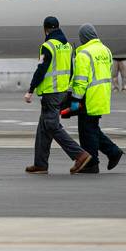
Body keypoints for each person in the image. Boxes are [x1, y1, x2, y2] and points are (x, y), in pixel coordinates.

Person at [23, 16, 92, 175]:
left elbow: (41, 70)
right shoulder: (67, 46)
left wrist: (30, 90)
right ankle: (40, 164)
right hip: (62, 91)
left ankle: (79, 155)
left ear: (45, 29)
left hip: (50, 93)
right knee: (44, 128)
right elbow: (72, 69)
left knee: (52, 126)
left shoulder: (47, 46)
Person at [70, 24, 124, 174]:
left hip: (89, 97)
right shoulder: (106, 50)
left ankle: (92, 164)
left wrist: (75, 99)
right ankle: (113, 152)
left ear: (83, 38)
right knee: (92, 129)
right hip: (103, 95)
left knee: (87, 131)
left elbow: (81, 81)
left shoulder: (84, 54)